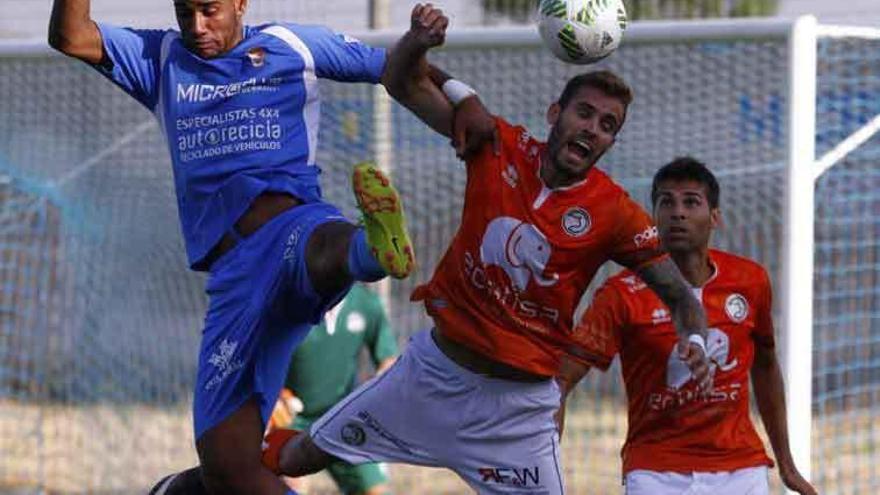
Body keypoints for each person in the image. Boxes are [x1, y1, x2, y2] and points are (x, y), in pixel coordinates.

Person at [260, 5, 713, 494]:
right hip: (430, 378)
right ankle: (200, 474)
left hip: (515, 418)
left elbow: (682, 297)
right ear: (555, 114)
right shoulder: (495, 145)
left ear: (610, 142)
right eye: (584, 113)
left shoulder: (615, 212)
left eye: (607, 125)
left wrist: (696, 340)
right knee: (296, 456)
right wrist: (428, 51)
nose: (592, 128)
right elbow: (400, 80)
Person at [47, 1, 478, 494]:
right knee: (225, 466)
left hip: (291, 229)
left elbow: (394, 69)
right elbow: (71, 35)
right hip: (233, 280)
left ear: (240, 4)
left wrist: (463, 102)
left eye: (209, 11)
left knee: (316, 244)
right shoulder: (160, 57)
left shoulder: (292, 45)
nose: (196, 27)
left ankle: (367, 249)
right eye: (184, 13)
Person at [558, 158, 817, 495]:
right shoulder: (621, 294)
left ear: (714, 218)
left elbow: (766, 365)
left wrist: (787, 464)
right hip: (656, 471)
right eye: (666, 202)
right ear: (653, 218)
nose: (677, 212)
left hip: (739, 468)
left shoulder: (749, 280)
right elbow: (561, 380)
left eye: (691, 202)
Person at [273, 284, 398, 495]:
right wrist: (273, 398)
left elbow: (389, 361)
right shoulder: (286, 304)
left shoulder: (366, 302)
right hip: (292, 420)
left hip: (343, 417)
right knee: (290, 489)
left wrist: (378, 392)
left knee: (378, 491)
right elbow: (256, 361)